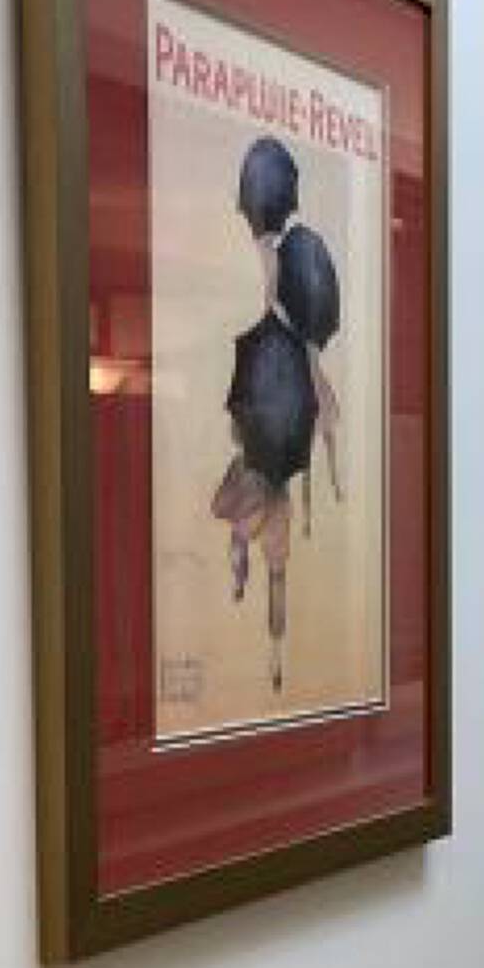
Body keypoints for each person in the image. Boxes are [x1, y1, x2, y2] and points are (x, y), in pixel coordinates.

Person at [211, 136, 343, 693]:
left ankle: (272, 651)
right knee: (272, 558)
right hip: (275, 438)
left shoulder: (287, 262)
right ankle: (273, 653)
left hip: (271, 439)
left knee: (267, 550)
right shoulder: (293, 260)